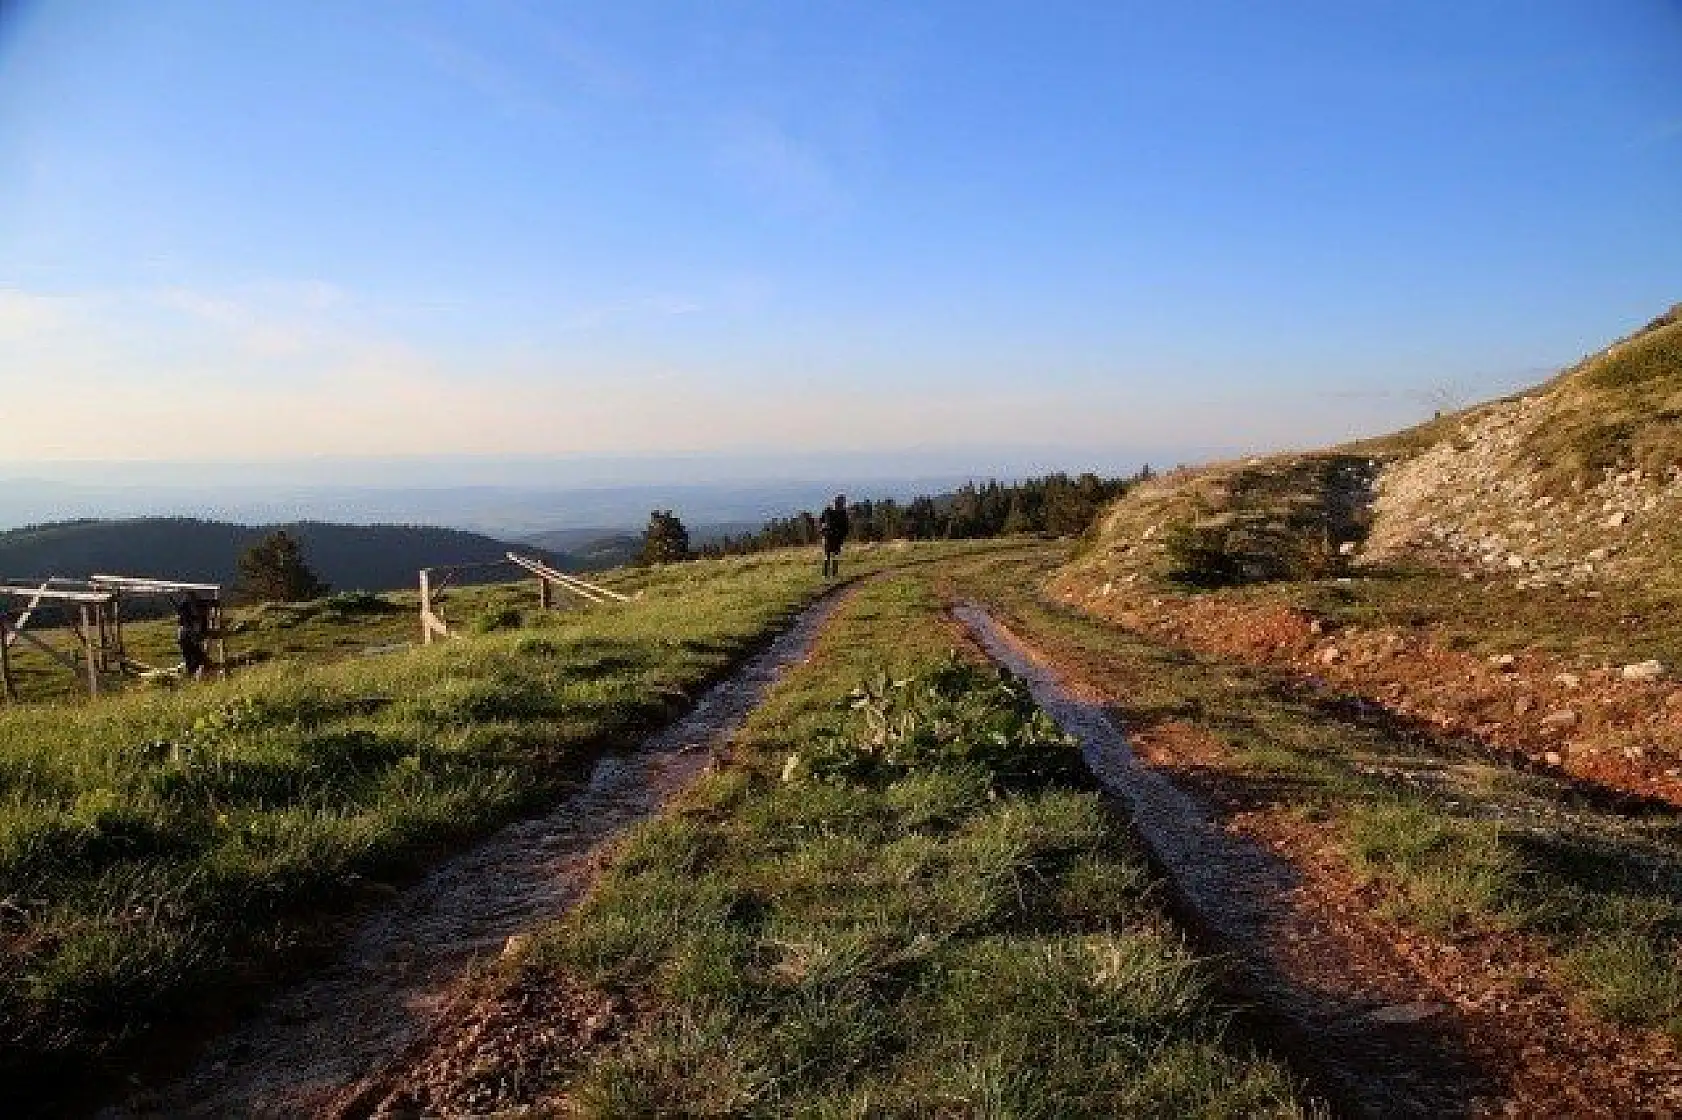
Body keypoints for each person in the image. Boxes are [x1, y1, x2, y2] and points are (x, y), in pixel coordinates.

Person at [177, 595, 209, 679]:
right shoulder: (186, 610)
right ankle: (193, 673)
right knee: (192, 656)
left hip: (187, 634)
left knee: (193, 656)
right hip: (187, 634)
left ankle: (194, 672)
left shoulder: (196, 609)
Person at [818, 494, 850, 579]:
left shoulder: (842, 513)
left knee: (835, 556)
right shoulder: (828, 510)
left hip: (836, 538)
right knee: (827, 556)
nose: (838, 504)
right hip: (828, 536)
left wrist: (841, 536)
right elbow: (821, 521)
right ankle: (825, 574)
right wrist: (822, 529)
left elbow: (846, 527)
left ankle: (833, 574)